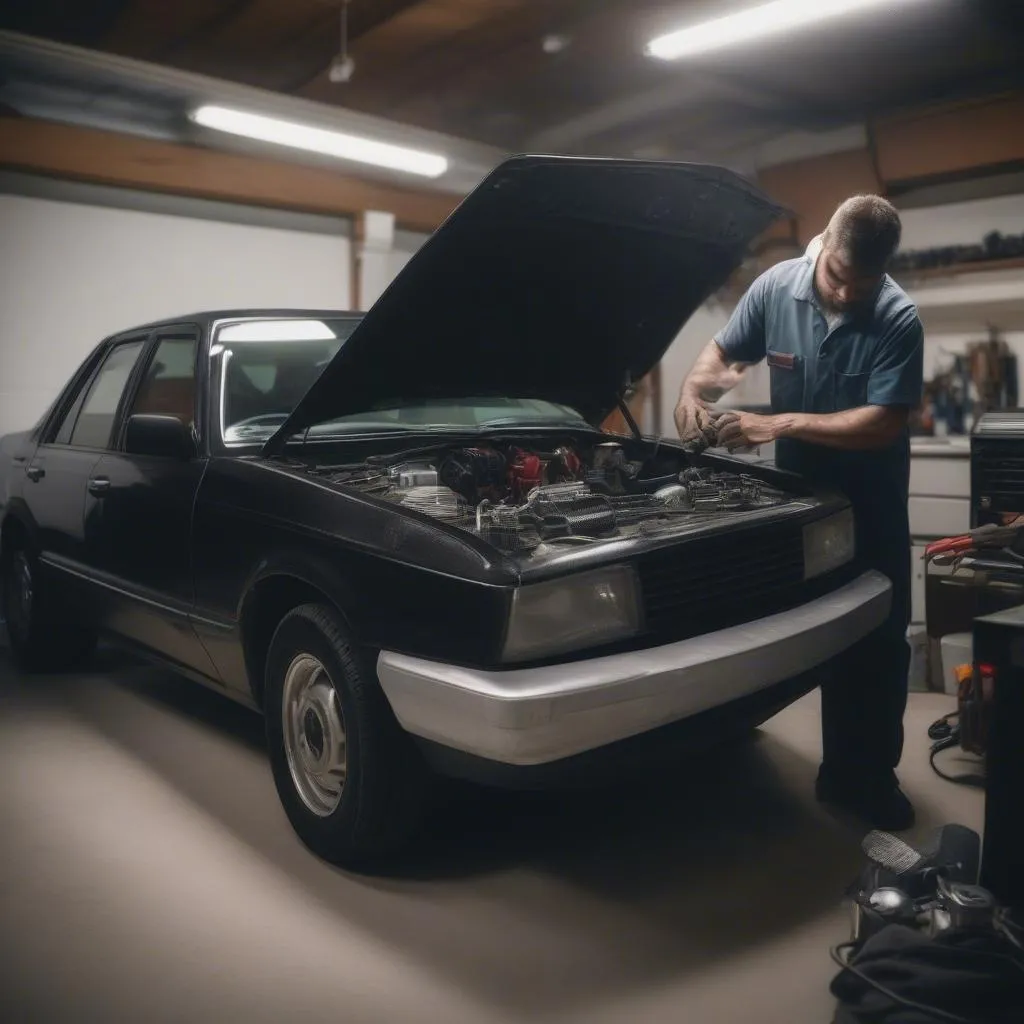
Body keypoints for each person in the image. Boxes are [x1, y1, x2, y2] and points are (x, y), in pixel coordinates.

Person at [674, 194, 924, 831]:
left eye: (862, 284)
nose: (846, 293)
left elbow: (884, 423)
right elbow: (725, 357)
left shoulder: (897, 316)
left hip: (870, 501)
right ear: (822, 245)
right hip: (796, 499)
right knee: (788, 628)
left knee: (875, 638)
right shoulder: (775, 288)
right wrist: (693, 391)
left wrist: (778, 421)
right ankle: (736, 746)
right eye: (839, 277)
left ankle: (862, 778)